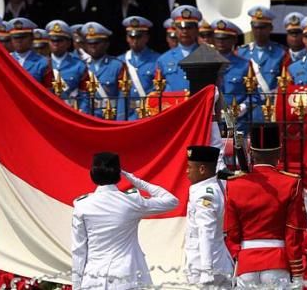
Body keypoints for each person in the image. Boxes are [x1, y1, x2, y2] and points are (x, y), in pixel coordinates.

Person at [72, 152, 179, 289]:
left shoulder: (82, 205)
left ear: (93, 174)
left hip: (93, 279)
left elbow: (79, 250)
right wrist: (135, 180)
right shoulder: (132, 201)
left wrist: (76, 285)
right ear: (118, 174)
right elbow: (171, 201)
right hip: (126, 277)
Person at [224, 123, 307, 288]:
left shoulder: (235, 184)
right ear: (279, 152)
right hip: (277, 261)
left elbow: (232, 232)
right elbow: (293, 233)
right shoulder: (291, 182)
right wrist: (297, 272)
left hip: (246, 263)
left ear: (251, 152)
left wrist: (239, 256)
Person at [183, 146, 234, 287]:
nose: (186, 171)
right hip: (212, 261)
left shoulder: (205, 195)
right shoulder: (205, 188)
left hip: (206, 266)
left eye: (189, 167)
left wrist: (206, 269)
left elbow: (206, 232)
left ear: (202, 169)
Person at [237, 6, 286, 122]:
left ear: (271, 28)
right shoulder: (241, 52)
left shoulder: (281, 53)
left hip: (273, 110)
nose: (259, 31)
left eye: (263, 27)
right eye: (255, 27)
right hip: (248, 112)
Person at [212, 20, 256, 130]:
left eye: (225, 38)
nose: (221, 42)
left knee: (238, 147)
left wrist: (241, 108)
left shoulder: (244, 65)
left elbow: (255, 95)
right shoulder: (206, 63)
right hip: (212, 121)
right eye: (218, 38)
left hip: (238, 122)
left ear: (234, 40)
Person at [79, 22, 126, 118]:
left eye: (96, 42)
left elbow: (122, 96)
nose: (93, 46)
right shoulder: (81, 66)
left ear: (106, 44)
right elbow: (83, 96)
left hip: (111, 116)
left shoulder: (117, 65)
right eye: (89, 43)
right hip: (90, 116)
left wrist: (120, 119)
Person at [118, 16, 160, 120]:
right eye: (131, 37)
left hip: (149, 112)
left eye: (139, 37)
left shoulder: (157, 60)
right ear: (127, 38)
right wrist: (120, 116)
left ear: (146, 37)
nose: (135, 41)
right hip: (127, 112)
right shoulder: (120, 61)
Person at [156, 5, 202, 92]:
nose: (185, 31)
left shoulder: (207, 55)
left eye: (189, 27)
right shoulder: (163, 59)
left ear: (197, 30)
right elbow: (158, 91)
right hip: (174, 104)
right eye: (181, 28)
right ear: (176, 30)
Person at [42, 20, 86, 104]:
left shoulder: (79, 65)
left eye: (60, 40)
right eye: (52, 40)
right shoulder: (41, 64)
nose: (56, 43)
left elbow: (85, 95)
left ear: (69, 43)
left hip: (71, 111)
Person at [8, 17, 49, 82]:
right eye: (15, 38)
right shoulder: (6, 59)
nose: (19, 40)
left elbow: (52, 89)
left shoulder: (44, 62)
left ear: (32, 38)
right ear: (11, 39)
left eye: (23, 37)